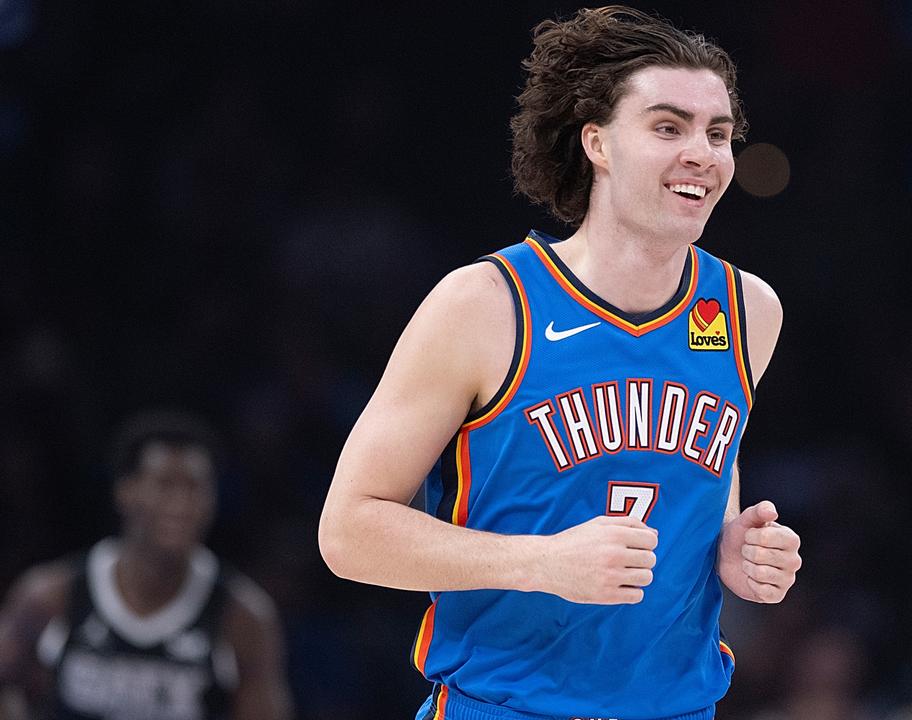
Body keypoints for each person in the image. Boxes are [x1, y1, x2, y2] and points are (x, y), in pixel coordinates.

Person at [318, 6, 801, 719]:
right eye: (669, 127)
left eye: (718, 133)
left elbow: (704, 457)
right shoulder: (486, 303)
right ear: (597, 143)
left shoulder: (748, 310)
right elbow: (348, 531)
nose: (703, 152)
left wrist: (728, 545)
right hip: (501, 705)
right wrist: (535, 563)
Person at [0, 411, 293, 720]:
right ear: (125, 491)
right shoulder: (51, 595)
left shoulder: (243, 618)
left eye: (194, 488)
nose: (180, 504)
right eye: (165, 485)